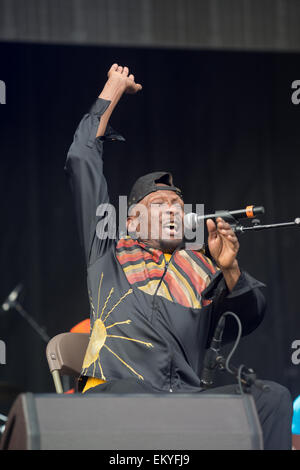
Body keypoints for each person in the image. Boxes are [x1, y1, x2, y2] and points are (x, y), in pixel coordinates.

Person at [65, 63, 292, 449]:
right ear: (133, 219)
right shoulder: (108, 250)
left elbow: (249, 317)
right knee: (135, 402)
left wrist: (231, 269)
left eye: (177, 203)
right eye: (159, 203)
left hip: (184, 403)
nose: (173, 209)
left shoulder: (201, 267)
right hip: (119, 395)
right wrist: (112, 88)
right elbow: (81, 158)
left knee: (272, 399)